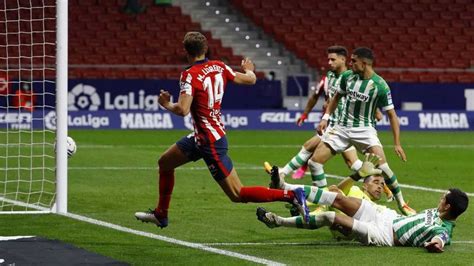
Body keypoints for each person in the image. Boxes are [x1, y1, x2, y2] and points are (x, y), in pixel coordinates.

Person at [134, 32, 309, 228]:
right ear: (205, 49)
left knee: (237, 194)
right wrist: (249, 69)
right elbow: (250, 79)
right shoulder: (219, 66)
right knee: (165, 163)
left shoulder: (189, 75)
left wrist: (165, 104)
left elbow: (183, 109)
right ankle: (161, 214)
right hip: (201, 137)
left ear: (185, 51)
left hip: (210, 142)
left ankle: (292, 195)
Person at [257, 160, 468, 252]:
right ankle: (285, 185)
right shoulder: (438, 213)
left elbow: (441, 239)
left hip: (383, 234)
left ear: (447, 206)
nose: (439, 199)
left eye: (443, 198)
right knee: (336, 199)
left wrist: (436, 244)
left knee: (332, 218)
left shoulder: (444, 230)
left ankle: (279, 222)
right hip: (387, 216)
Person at [264, 46, 391, 199]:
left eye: (333, 59)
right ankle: (380, 184)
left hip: (344, 126)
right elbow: (320, 96)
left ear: (343, 60)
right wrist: (312, 111)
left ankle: (288, 178)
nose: (329, 62)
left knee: (316, 151)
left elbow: (367, 102)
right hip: (336, 126)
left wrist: (374, 111)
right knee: (346, 161)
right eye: (328, 59)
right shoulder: (329, 77)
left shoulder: (352, 77)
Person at [306, 47, 415, 215]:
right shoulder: (347, 77)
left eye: (354, 61)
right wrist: (325, 118)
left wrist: (397, 143)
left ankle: (402, 204)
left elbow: (392, 115)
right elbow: (336, 98)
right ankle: (324, 205)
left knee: (384, 168)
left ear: (364, 64)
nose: (350, 64)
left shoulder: (380, 86)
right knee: (314, 163)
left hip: (365, 130)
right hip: (341, 128)